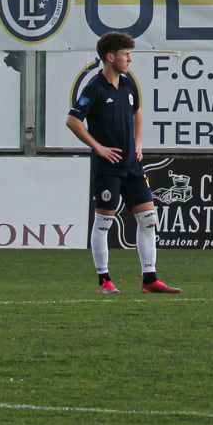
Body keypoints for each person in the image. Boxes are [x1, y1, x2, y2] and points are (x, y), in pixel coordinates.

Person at [67, 32, 180, 295]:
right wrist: (98, 147)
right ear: (110, 57)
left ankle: (150, 279)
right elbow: (73, 120)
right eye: (125, 54)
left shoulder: (128, 84)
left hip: (132, 165)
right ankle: (104, 281)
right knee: (104, 222)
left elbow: (137, 112)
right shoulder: (94, 87)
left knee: (149, 219)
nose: (130, 58)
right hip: (108, 167)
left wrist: (138, 143)